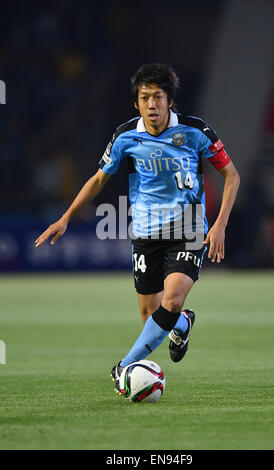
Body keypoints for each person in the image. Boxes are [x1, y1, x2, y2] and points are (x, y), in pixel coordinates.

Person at [35, 63, 240, 396]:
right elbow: (99, 178)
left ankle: (123, 366)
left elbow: (232, 175)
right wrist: (66, 216)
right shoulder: (125, 136)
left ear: (169, 100)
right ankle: (183, 323)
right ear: (136, 103)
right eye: (145, 98)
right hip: (145, 234)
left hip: (188, 228)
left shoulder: (196, 131)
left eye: (158, 97)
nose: (152, 104)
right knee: (150, 314)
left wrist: (220, 225)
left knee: (171, 300)